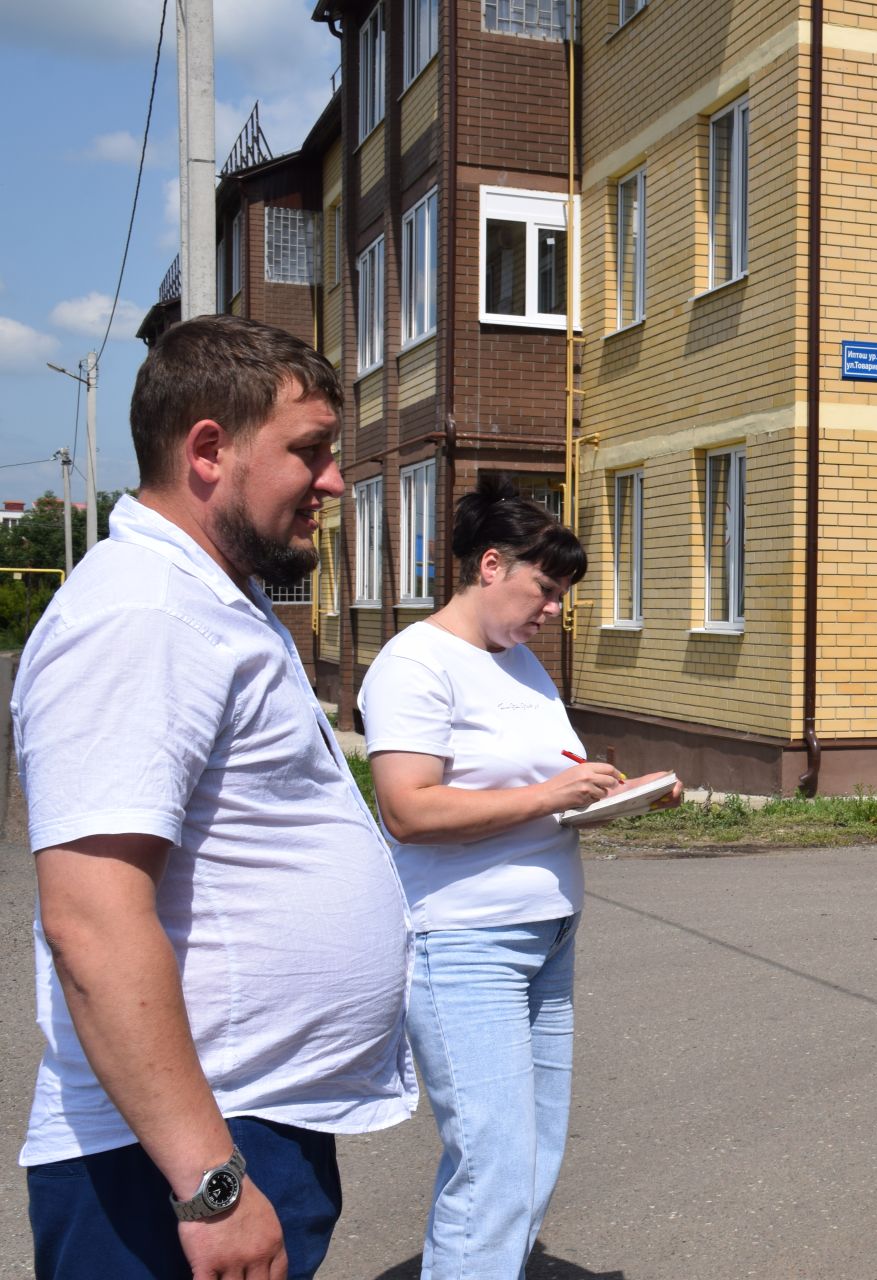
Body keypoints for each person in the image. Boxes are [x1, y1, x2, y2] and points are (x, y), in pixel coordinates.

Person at [12, 314, 415, 1278]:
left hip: (233, 1123)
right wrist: (210, 1184)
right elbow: (92, 922)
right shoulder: (142, 614)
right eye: (310, 452)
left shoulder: (204, 598)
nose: (333, 481)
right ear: (208, 450)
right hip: (169, 1161)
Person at [358, 477, 681, 1277]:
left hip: (546, 932)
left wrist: (615, 795)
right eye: (545, 589)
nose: (552, 610)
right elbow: (408, 808)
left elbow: (552, 783)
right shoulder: (415, 662)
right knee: (494, 1159)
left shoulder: (524, 664)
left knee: (533, 1151)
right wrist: (550, 796)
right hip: (466, 941)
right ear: (491, 565)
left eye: (564, 595)